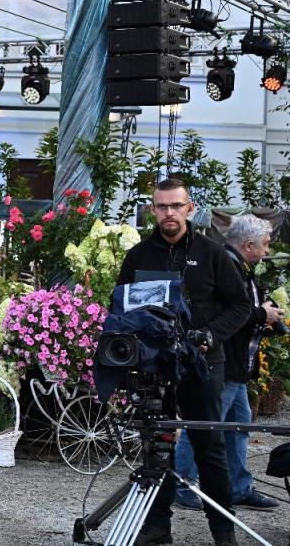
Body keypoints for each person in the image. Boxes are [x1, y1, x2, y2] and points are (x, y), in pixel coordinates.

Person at [114, 179, 250, 546]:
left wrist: (210, 335)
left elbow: (241, 306)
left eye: (176, 206)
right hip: (154, 367)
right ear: (153, 210)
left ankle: (223, 531)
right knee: (156, 446)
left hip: (203, 364)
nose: (169, 213)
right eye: (162, 206)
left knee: (210, 447)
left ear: (190, 208)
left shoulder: (213, 253)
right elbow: (120, 307)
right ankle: (158, 525)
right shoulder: (138, 255)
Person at [174, 214, 283, 513]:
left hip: (236, 364)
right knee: (205, 423)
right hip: (224, 361)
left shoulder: (236, 265)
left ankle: (237, 487)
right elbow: (229, 313)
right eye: (265, 245)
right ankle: (181, 483)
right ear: (248, 245)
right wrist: (262, 314)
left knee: (238, 426)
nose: (267, 251)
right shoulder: (225, 265)